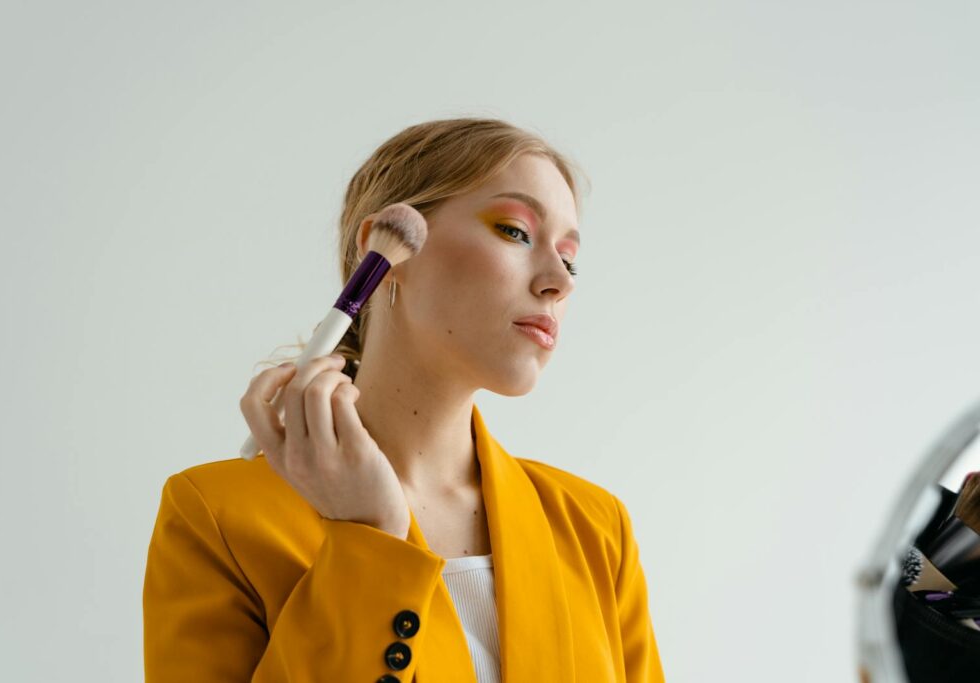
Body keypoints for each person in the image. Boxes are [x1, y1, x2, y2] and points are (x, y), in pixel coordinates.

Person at [143, 117, 665, 682]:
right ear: (382, 253)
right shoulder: (218, 518)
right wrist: (369, 537)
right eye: (515, 231)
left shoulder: (593, 527)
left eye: (570, 257)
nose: (559, 282)